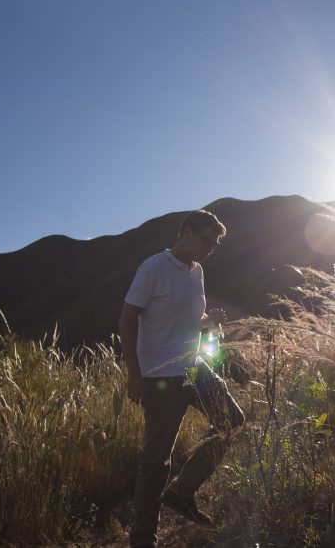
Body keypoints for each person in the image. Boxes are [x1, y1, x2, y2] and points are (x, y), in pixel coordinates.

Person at [120, 209, 244, 548]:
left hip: (193, 367)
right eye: (206, 241)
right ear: (186, 232)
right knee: (156, 461)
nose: (210, 249)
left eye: (215, 245)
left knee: (232, 420)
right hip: (161, 376)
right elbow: (128, 320)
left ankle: (183, 491)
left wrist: (209, 319)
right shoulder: (154, 268)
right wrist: (134, 375)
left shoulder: (197, 271)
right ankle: (143, 539)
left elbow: (190, 317)